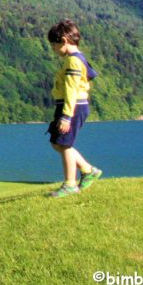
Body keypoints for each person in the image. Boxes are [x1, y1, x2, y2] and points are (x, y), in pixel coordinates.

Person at [46, 19, 102, 197]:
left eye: (54, 45)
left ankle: (70, 184)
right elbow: (90, 75)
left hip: (72, 106)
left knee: (64, 145)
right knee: (57, 143)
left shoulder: (73, 62)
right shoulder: (79, 59)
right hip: (72, 105)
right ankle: (87, 170)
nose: (54, 50)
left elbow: (71, 89)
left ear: (63, 41)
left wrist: (66, 116)